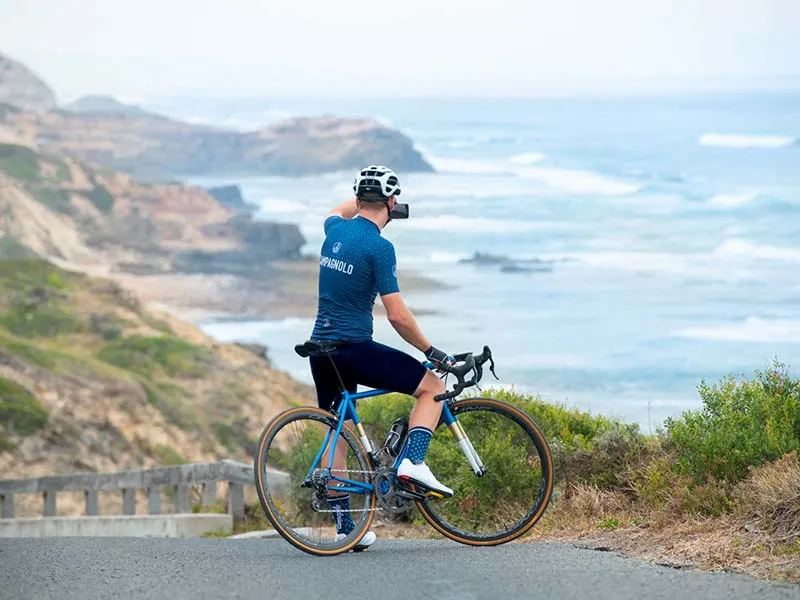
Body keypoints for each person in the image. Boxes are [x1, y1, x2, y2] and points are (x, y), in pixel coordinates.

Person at [306, 165, 454, 550]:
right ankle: (413, 463)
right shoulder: (379, 247)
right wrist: (430, 351)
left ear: (357, 201)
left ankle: (344, 530)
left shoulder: (335, 232)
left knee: (338, 431)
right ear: (391, 202)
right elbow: (397, 316)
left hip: (320, 351)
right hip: (354, 350)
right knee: (432, 387)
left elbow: (337, 211)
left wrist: (363, 200)